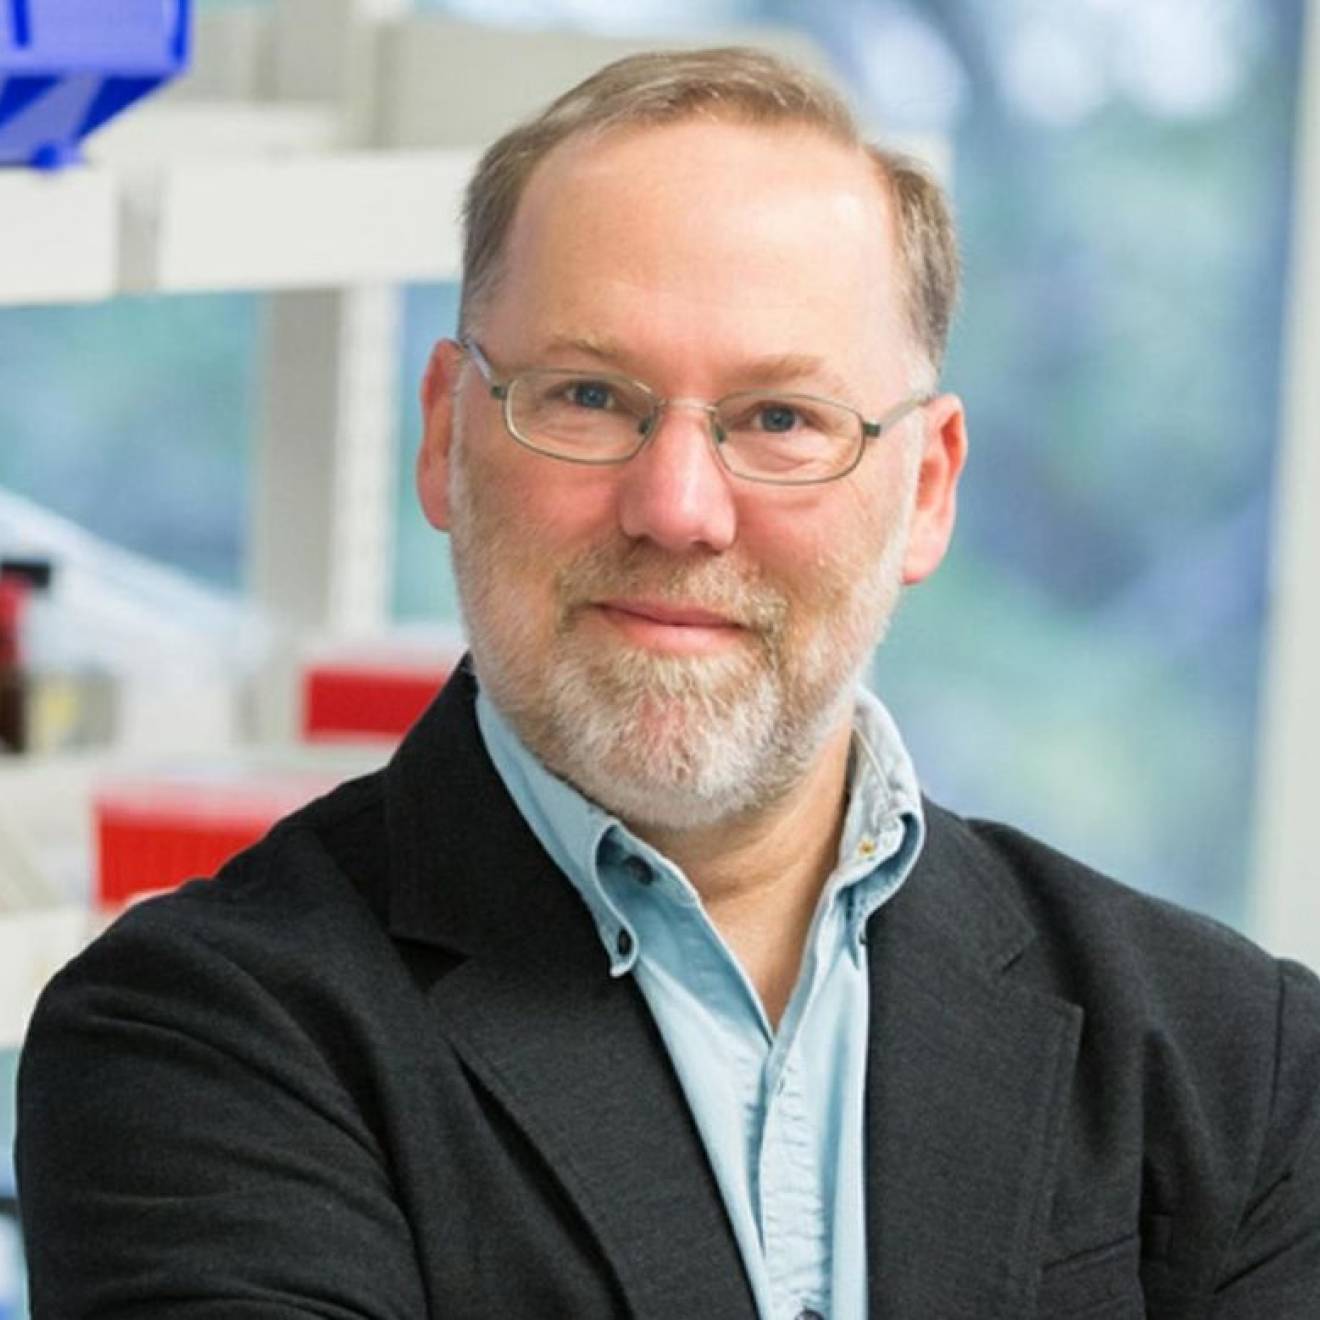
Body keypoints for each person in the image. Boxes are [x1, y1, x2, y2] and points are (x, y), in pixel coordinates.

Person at [16, 45, 1320, 1320]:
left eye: (781, 420)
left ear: (926, 490)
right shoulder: (200, 1045)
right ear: (443, 437)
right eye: (588, 395)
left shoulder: (1240, 1063)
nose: (678, 508)